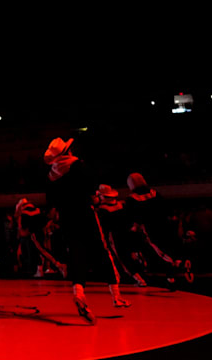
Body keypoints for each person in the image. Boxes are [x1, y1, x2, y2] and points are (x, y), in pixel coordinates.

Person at [41, 138, 129, 325]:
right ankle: (116, 294)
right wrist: (95, 200)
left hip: (67, 218)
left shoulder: (51, 176)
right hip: (85, 214)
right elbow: (91, 190)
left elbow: (51, 200)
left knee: (77, 254)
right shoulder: (79, 166)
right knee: (101, 249)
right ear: (68, 151)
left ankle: (79, 292)